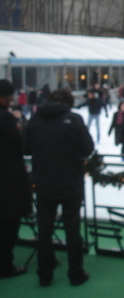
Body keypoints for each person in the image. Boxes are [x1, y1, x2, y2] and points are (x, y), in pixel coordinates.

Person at [23, 88, 94, 287]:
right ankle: (76, 274)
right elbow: (88, 149)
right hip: (70, 182)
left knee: (44, 230)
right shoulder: (74, 120)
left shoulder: (35, 119)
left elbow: (26, 148)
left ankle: (44, 274)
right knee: (72, 230)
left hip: (44, 182)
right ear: (69, 102)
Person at [0, 80, 32, 280]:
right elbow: (20, 146)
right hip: (8, 182)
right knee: (8, 226)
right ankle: (5, 265)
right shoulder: (5, 119)